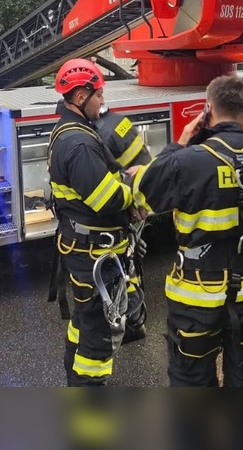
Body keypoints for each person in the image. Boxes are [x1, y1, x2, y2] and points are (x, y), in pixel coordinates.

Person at [133, 74, 243, 387]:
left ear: (207, 110)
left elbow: (144, 192)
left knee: (191, 381)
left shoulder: (186, 162)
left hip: (196, 299)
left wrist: (181, 142)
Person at [47, 59, 137, 386]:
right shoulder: (80, 143)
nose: (103, 101)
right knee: (96, 347)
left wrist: (120, 175)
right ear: (82, 95)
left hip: (80, 251)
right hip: (93, 258)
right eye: (99, 95)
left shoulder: (72, 131)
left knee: (83, 325)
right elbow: (107, 199)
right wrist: (135, 189)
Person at [94, 104, 152, 343]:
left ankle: (134, 322)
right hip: (143, 194)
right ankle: (135, 318)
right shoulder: (118, 120)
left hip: (132, 205)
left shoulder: (100, 134)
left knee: (125, 265)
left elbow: (113, 180)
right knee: (131, 258)